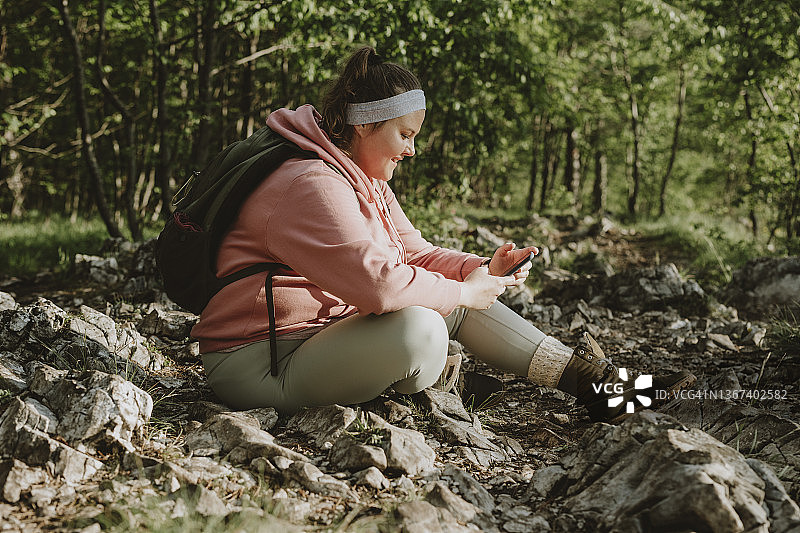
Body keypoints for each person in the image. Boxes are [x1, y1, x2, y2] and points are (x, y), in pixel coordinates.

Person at [191, 46, 694, 422]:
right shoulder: (309, 183)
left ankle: (600, 387)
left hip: (318, 339)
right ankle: (433, 373)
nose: (412, 150)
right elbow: (382, 286)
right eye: (404, 135)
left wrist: (479, 271)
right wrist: (464, 293)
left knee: (447, 304)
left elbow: (414, 252)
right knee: (423, 326)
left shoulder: (358, 175)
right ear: (363, 125)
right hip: (261, 365)